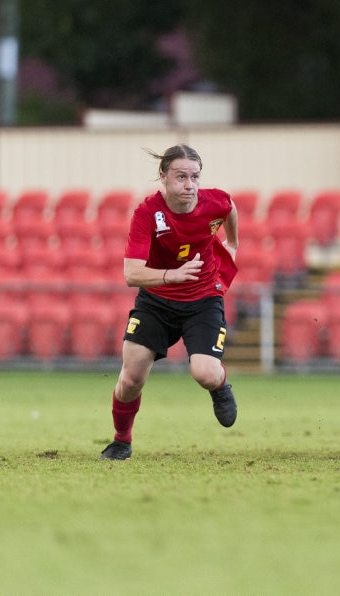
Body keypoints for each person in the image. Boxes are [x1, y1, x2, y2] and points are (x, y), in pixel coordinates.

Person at [98, 144, 240, 460]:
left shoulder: (213, 201)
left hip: (203, 299)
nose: (189, 185)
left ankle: (220, 387)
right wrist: (170, 277)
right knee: (131, 377)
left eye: (195, 177)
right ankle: (122, 440)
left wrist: (233, 243)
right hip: (156, 302)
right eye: (181, 177)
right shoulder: (147, 213)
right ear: (163, 177)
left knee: (205, 373)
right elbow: (131, 273)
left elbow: (229, 207)